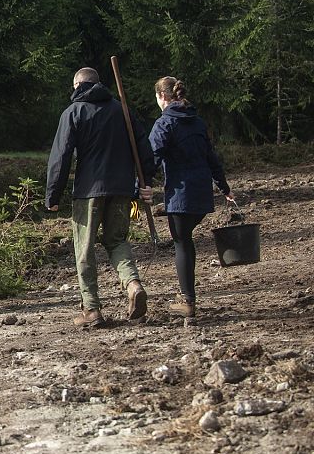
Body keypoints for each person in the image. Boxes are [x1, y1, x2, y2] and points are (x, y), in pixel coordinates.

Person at [46, 67, 155, 327]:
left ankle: (91, 309)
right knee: (116, 240)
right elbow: (144, 150)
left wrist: (53, 194)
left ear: (76, 86)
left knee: (84, 249)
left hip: (88, 191)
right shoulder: (122, 110)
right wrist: (145, 182)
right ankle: (133, 284)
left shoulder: (73, 112)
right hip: (122, 190)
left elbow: (60, 156)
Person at [149, 76, 234, 318]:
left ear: (163, 97)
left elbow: (152, 159)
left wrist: (139, 187)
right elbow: (211, 158)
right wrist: (224, 187)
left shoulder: (164, 124)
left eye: (156, 97)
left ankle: (187, 300)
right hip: (201, 193)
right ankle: (187, 296)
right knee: (185, 239)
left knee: (182, 241)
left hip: (180, 194)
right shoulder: (197, 122)